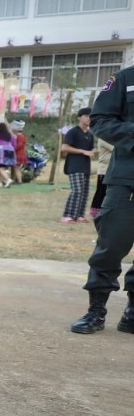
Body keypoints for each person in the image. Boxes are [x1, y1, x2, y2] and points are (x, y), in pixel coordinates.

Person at [71, 67, 134, 335]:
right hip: (127, 181)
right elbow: (100, 120)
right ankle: (96, 311)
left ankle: (132, 313)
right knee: (109, 246)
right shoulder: (125, 79)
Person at [62, 108, 96, 223]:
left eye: (90, 116)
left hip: (85, 166)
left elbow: (90, 150)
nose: (88, 118)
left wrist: (94, 151)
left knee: (85, 191)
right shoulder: (73, 132)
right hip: (74, 165)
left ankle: (79, 215)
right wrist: (83, 151)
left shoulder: (90, 134)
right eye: (86, 116)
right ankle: (68, 215)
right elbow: (64, 148)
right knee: (77, 190)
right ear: (79, 117)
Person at [0, 121, 19, 188]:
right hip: (10, 150)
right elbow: (15, 145)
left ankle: (8, 180)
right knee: (4, 167)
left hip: (1, 150)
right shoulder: (10, 135)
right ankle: (0, 182)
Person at [91, 135, 114, 218]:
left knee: (107, 192)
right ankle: (96, 211)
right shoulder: (104, 138)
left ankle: (103, 210)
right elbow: (115, 148)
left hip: (111, 169)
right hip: (104, 170)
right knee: (101, 191)